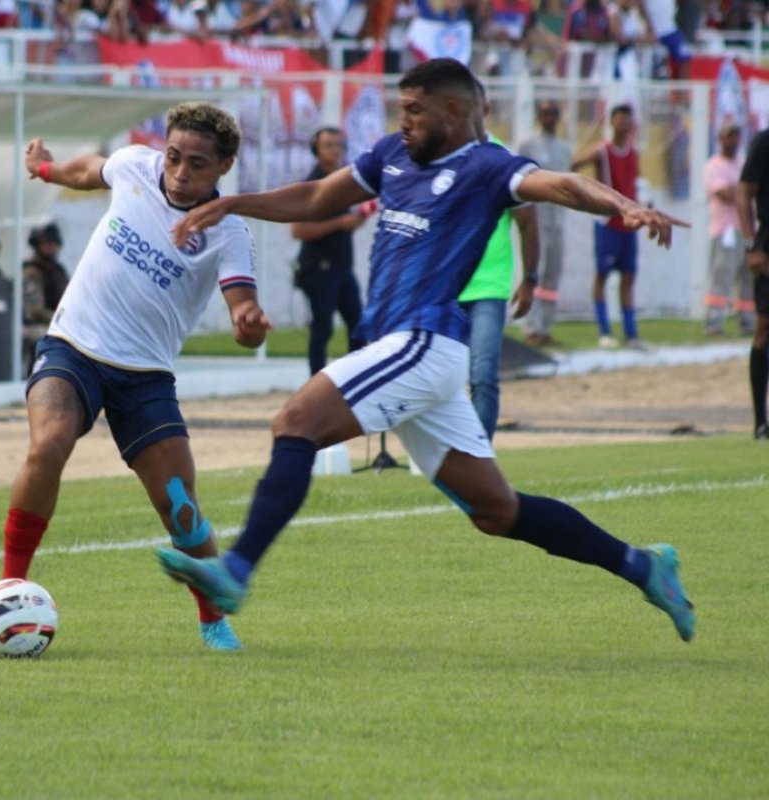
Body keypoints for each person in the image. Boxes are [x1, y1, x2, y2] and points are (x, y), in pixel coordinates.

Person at [155, 59, 695, 647]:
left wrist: (622, 204)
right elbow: (316, 197)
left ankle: (234, 573)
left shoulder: (486, 165)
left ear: (455, 112)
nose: (403, 120)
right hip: (408, 353)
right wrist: (235, 204)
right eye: (400, 108)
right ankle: (645, 567)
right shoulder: (391, 155)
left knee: (295, 421)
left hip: (423, 341)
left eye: (414, 110)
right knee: (497, 511)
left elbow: (561, 184)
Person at [3, 101, 270, 652]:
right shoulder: (133, 167)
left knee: (181, 507)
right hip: (73, 347)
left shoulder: (229, 232)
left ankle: (213, 619)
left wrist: (248, 324)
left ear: (223, 167)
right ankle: (10, 583)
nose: (179, 172)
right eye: (174, 156)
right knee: (48, 443)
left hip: (145, 376)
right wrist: (46, 170)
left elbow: (244, 311)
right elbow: (85, 171)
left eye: (197, 163)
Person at [459, 92, 539, 441]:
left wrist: (530, 280)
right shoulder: (435, 158)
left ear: (485, 110)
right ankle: (444, 453)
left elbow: (528, 223)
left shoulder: (504, 161)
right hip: (441, 287)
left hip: (488, 288)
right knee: (436, 378)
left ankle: (478, 459)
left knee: (483, 376)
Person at [292, 126, 371, 376]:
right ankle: (316, 382)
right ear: (316, 149)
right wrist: (340, 223)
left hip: (342, 266)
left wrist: (361, 217)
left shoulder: (343, 181)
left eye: (339, 145)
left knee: (358, 326)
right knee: (322, 328)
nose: (336, 150)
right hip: (319, 267)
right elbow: (298, 230)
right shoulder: (311, 183)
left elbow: (348, 223)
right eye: (329, 145)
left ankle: (354, 380)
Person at [572, 104, 645, 350]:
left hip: (629, 223)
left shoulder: (633, 153)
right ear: (612, 122)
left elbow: (637, 183)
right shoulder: (602, 151)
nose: (625, 124)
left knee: (628, 277)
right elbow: (574, 166)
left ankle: (631, 333)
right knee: (602, 275)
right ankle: (604, 331)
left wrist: (643, 207)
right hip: (607, 223)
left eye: (628, 119)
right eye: (621, 119)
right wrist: (589, 196)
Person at [518, 101, 572, 347]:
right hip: (536, 218)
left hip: (557, 219)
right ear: (539, 116)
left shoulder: (563, 149)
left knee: (553, 273)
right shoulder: (528, 144)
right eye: (546, 113)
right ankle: (532, 326)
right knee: (534, 272)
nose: (550, 117)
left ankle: (546, 326)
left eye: (554, 113)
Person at [704, 123, 756, 337]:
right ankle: (713, 321)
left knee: (748, 275)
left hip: (748, 228)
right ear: (721, 139)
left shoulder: (743, 163)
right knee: (722, 273)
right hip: (726, 229)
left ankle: (746, 320)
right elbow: (725, 194)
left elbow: (750, 191)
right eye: (729, 136)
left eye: (736, 136)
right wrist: (742, 191)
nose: (733, 141)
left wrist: (741, 191)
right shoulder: (713, 166)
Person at [736, 124, 769, 441]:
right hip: (768, 246)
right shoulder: (763, 142)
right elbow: (743, 191)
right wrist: (751, 245)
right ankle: (761, 420)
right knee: (764, 326)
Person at [21, 222, 71, 370]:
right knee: (42, 338)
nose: (52, 247)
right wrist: (63, 321)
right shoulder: (31, 272)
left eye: (54, 243)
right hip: (34, 325)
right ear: (37, 245)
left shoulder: (58, 270)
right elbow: (35, 310)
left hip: (58, 323)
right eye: (47, 243)